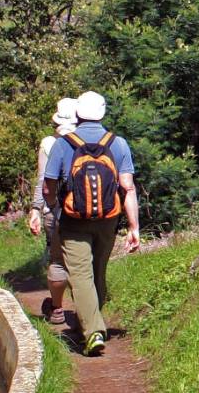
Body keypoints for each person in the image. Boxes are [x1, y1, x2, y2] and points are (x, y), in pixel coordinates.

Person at [41, 91, 141, 356]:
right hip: (108, 220)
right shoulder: (117, 143)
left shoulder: (64, 144)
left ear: (78, 115)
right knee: (98, 272)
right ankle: (91, 323)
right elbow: (128, 187)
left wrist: (52, 208)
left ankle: (93, 331)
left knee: (80, 276)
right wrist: (134, 227)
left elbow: (49, 185)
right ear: (103, 112)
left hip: (73, 221)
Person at [28, 97, 79, 325]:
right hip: (87, 211)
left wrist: (36, 209)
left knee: (58, 261)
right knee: (83, 262)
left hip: (56, 211)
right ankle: (85, 313)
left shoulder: (49, 143)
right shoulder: (92, 140)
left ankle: (57, 309)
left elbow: (43, 181)